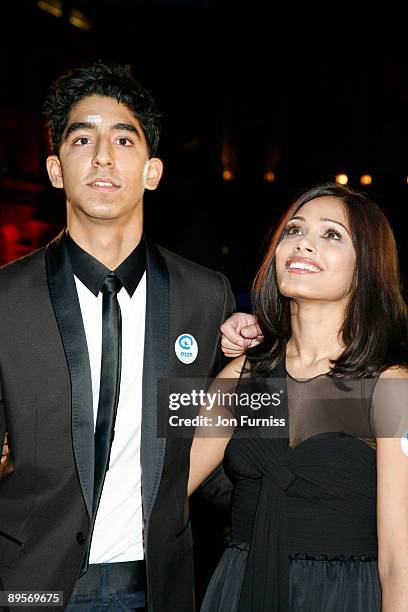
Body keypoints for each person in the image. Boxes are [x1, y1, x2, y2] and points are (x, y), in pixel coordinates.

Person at [0, 60, 235, 612]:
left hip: (155, 589)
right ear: (56, 169)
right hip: (27, 588)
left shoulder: (205, 298)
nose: (104, 155)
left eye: (123, 139)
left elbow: (228, 440)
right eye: (83, 138)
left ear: (152, 171)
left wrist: (372, 411)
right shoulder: (6, 300)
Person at [189, 183, 408, 611]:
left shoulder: (390, 388)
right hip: (239, 592)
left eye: (331, 235)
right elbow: (162, 489)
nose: (303, 243)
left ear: (367, 268)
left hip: (343, 598)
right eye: (293, 231)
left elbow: (400, 561)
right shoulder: (239, 377)